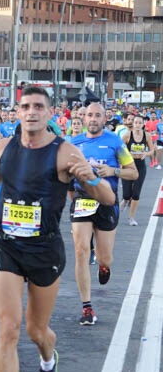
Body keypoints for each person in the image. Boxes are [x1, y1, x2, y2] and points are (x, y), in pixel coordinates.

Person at [0, 86, 114, 372]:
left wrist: (87, 178)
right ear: (16, 111)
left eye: (38, 107)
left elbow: (107, 198)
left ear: (50, 113)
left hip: (45, 251)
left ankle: (48, 361)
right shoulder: (3, 148)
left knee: (36, 331)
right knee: (10, 329)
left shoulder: (64, 151)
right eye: (25, 106)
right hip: (9, 249)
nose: (31, 112)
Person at [69, 102, 136, 325]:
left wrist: (113, 171)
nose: (94, 119)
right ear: (84, 118)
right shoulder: (74, 143)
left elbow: (133, 173)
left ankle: (104, 264)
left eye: (98, 115)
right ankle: (86, 307)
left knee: (104, 255)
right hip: (82, 200)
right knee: (80, 250)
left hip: (106, 201)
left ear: (104, 119)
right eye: (90, 115)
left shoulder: (115, 142)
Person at [123, 114, 150, 225]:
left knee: (136, 194)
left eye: (140, 123)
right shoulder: (127, 135)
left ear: (143, 124)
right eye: (136, 122)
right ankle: (125, 200)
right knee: (126, 194)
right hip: (129, 165)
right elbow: (119, 149)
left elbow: (152, 150)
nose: (138, 125)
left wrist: (146, 153)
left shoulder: (147, 136)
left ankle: (131, 218)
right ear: (133, 124)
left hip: (140, 165)